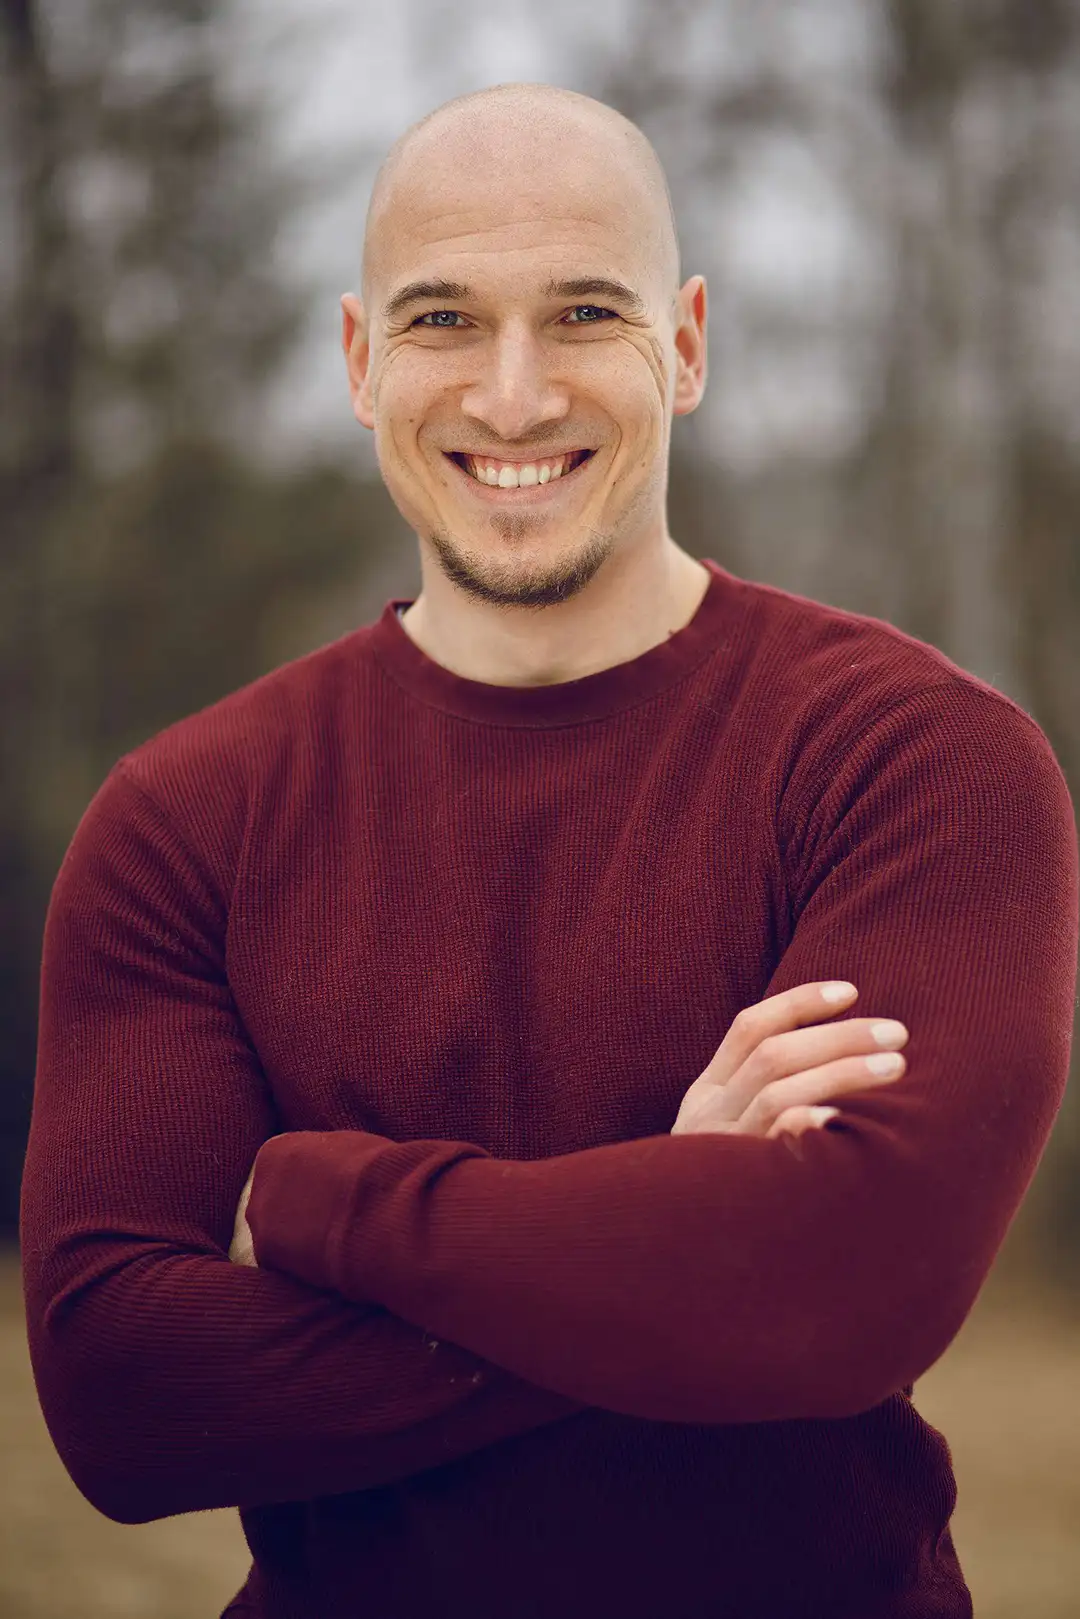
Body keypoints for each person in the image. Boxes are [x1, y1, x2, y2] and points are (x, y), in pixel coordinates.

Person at [20, 80, 1079, 1619]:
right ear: (360, 360)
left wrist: (325, 1207)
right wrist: (680, 1237)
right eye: (443, 320)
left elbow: (854, 1288)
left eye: (585, 312)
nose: (514, 398)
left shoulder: (916, 759)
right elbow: (126, 1393)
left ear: (691, 343)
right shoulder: (187, 821)